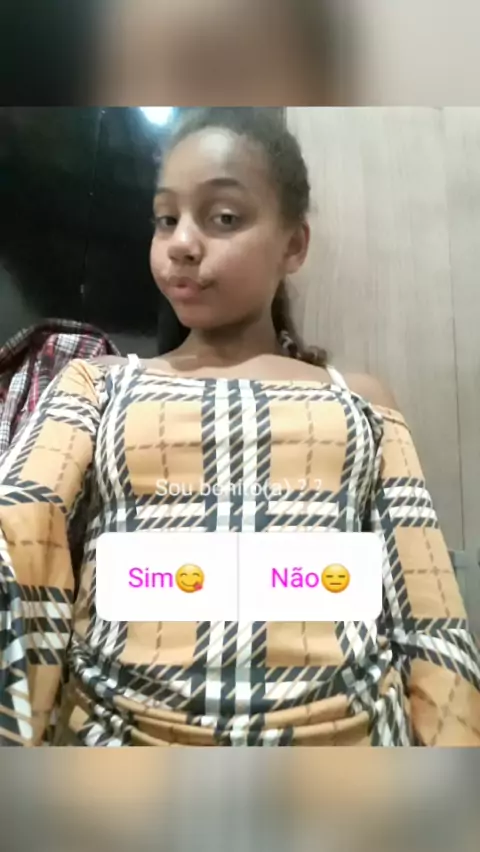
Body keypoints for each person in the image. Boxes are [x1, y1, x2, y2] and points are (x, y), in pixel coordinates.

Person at [0, 107, 478, 747]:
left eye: (223, 217)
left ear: (294, 245)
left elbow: (430, 615)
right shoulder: (98, 383)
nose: (182, 242)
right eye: (166, 218)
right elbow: (21, 535)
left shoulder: (359, 399)